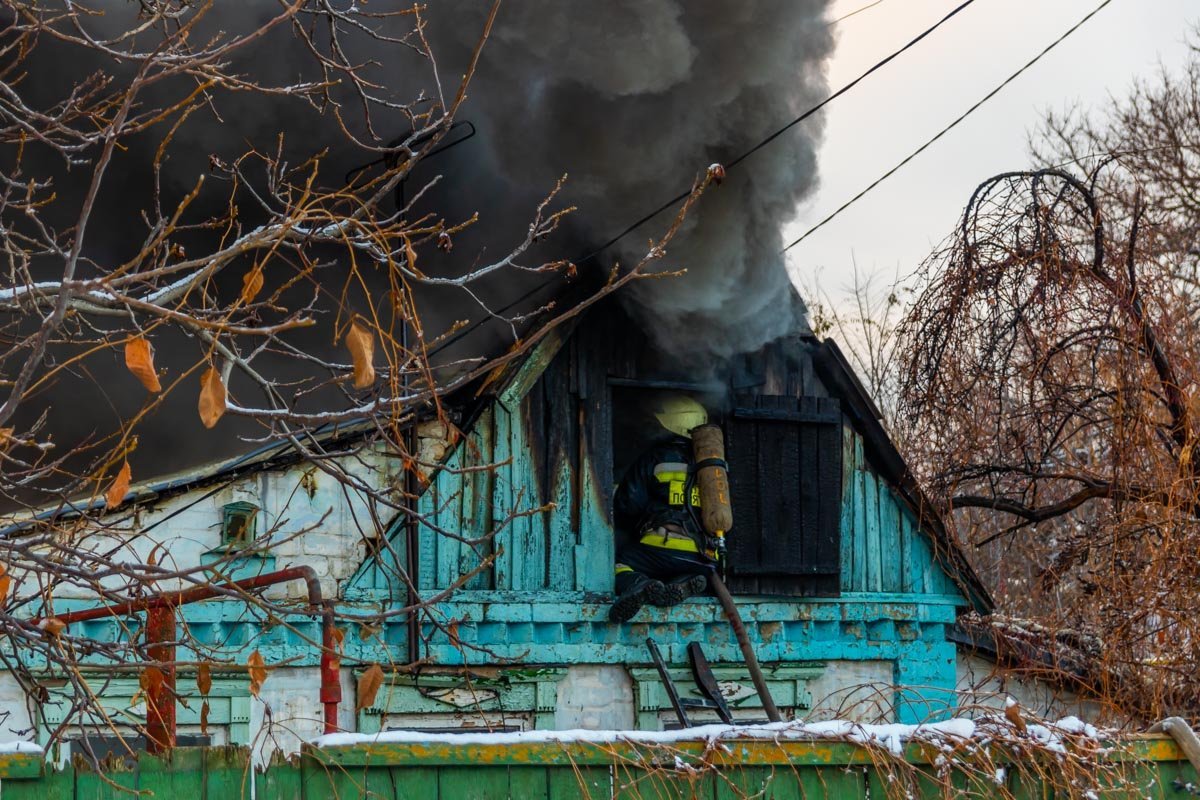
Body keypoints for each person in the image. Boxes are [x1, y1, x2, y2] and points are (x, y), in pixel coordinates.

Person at [609, 394, 716, 623]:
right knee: (682, 570)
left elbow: (627, 505)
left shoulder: (656, 457)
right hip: (705, 558)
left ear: (668, 424)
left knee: (617, 562)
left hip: (660, 548)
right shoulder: (712, 468)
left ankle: (640, 584)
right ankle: (683, 582)